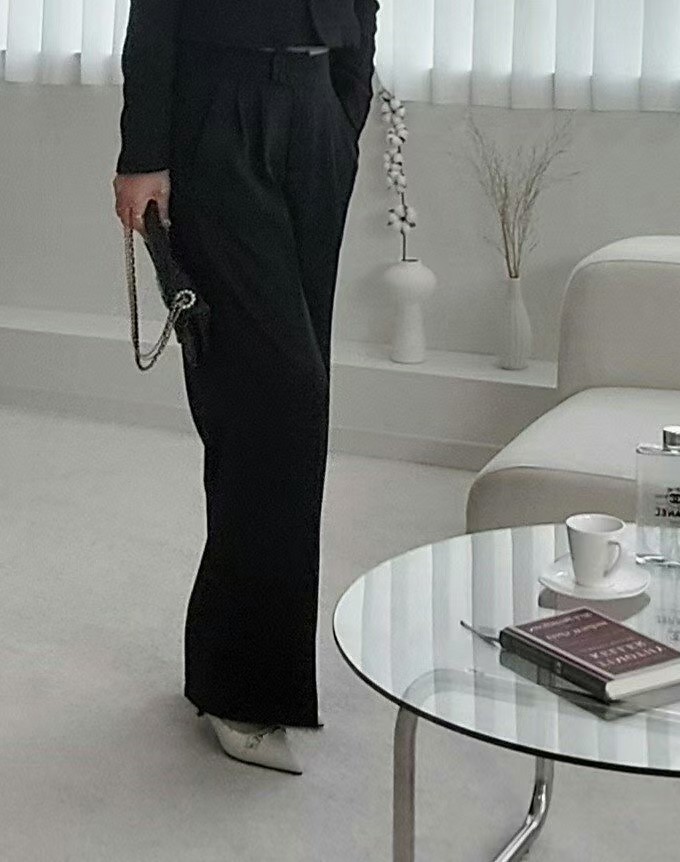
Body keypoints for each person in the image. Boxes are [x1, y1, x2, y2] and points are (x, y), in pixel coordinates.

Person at [112, 0, 379, 774]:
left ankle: (249, 673)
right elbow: (154, 13)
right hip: (214, 110)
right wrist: (142, 153)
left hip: (318, 114)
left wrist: (345, 107)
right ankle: (240, 689)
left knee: (295, 399)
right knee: (272, 400)